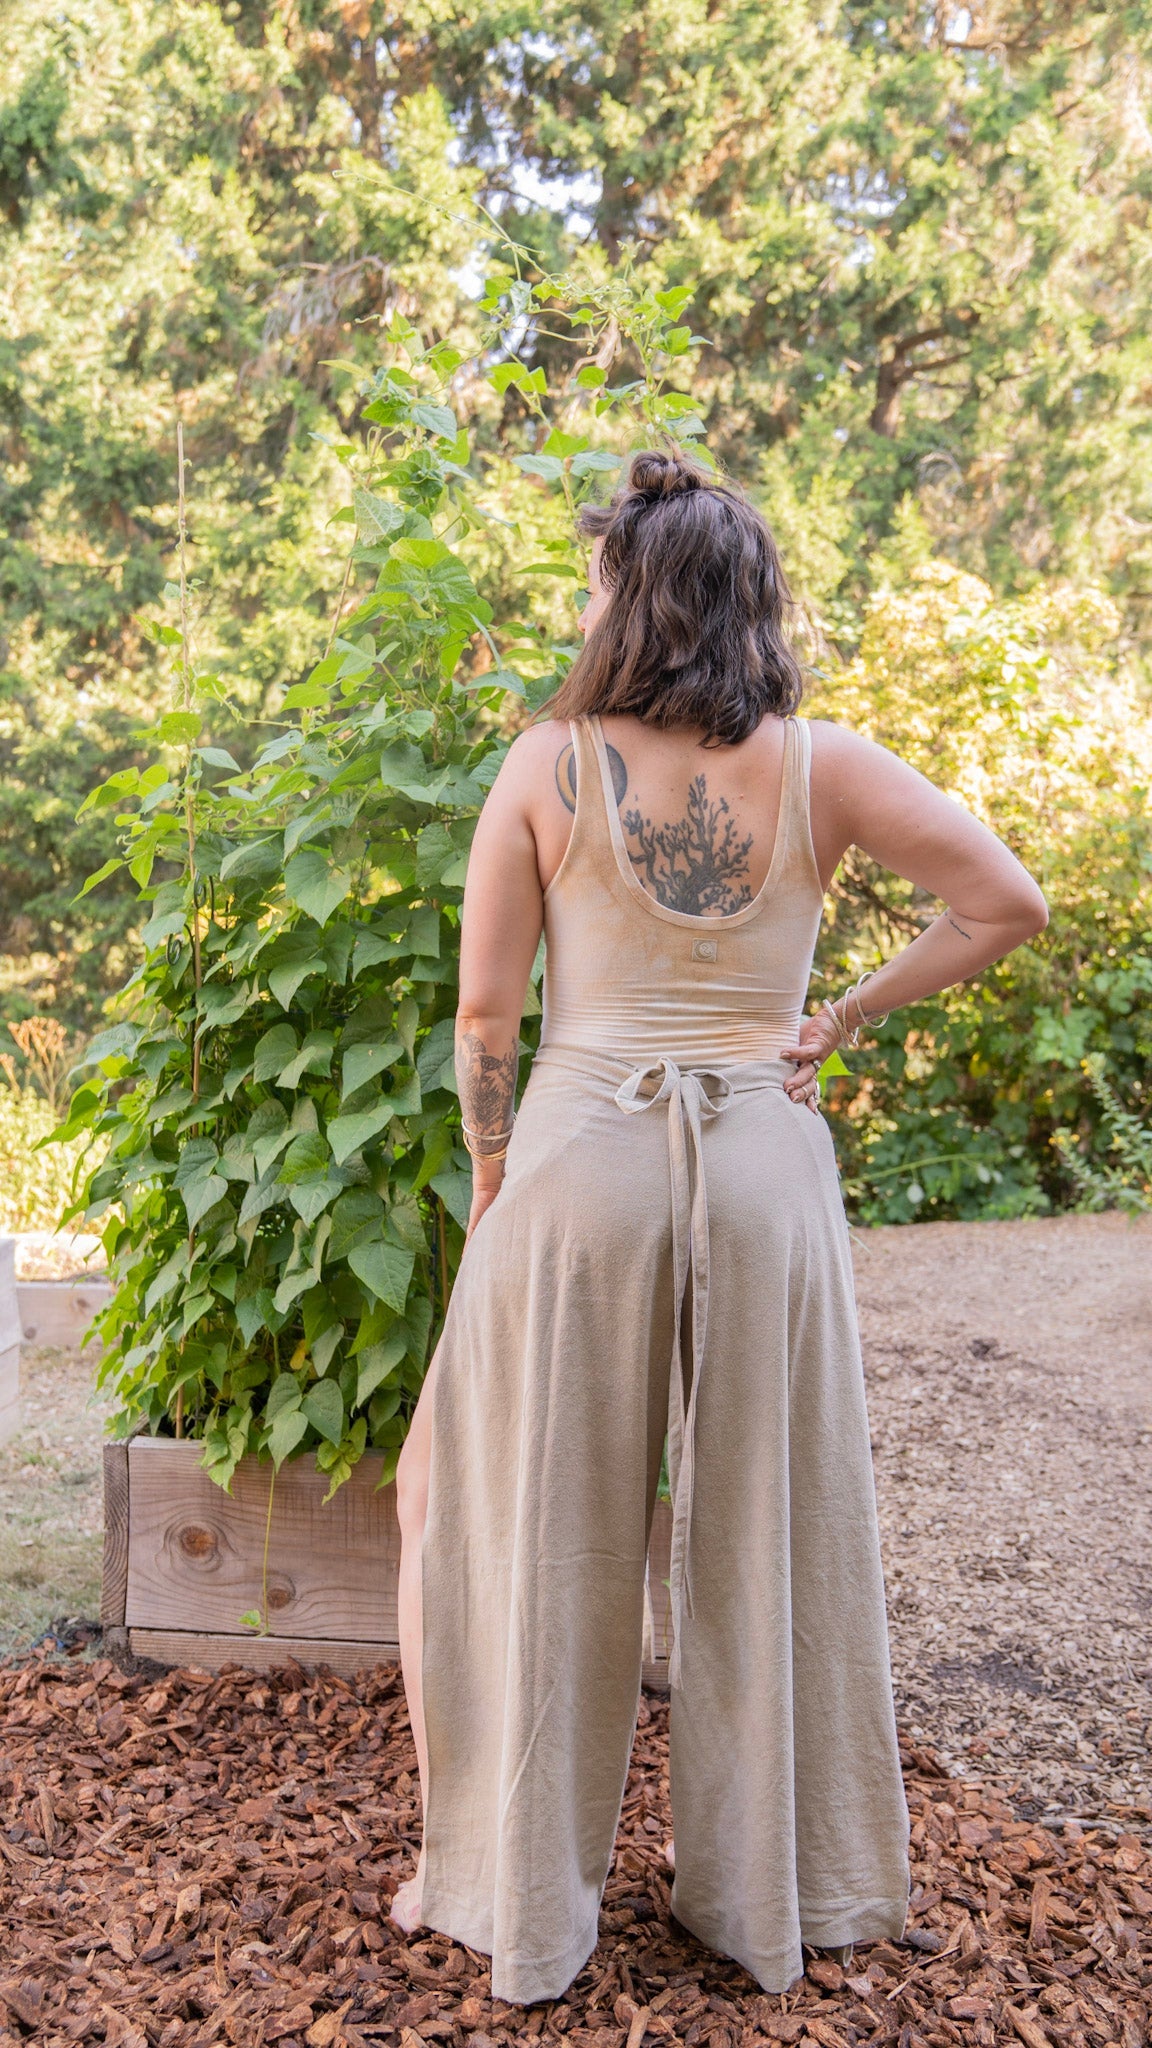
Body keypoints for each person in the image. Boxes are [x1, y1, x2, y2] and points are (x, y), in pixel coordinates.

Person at [387, 450, 1048, 2004]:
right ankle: (771, 1890)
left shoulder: (545, 766)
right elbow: (1005, 899)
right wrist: (844, 1015)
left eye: (600, 576)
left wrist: (492, 1188)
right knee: (771, 1522)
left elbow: (490, 1007)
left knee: (506, 1514)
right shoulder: (826, 765)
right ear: (748, 602)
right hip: (764, 1159)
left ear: (633, 597)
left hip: (583, 1155)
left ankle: (496, 1891)